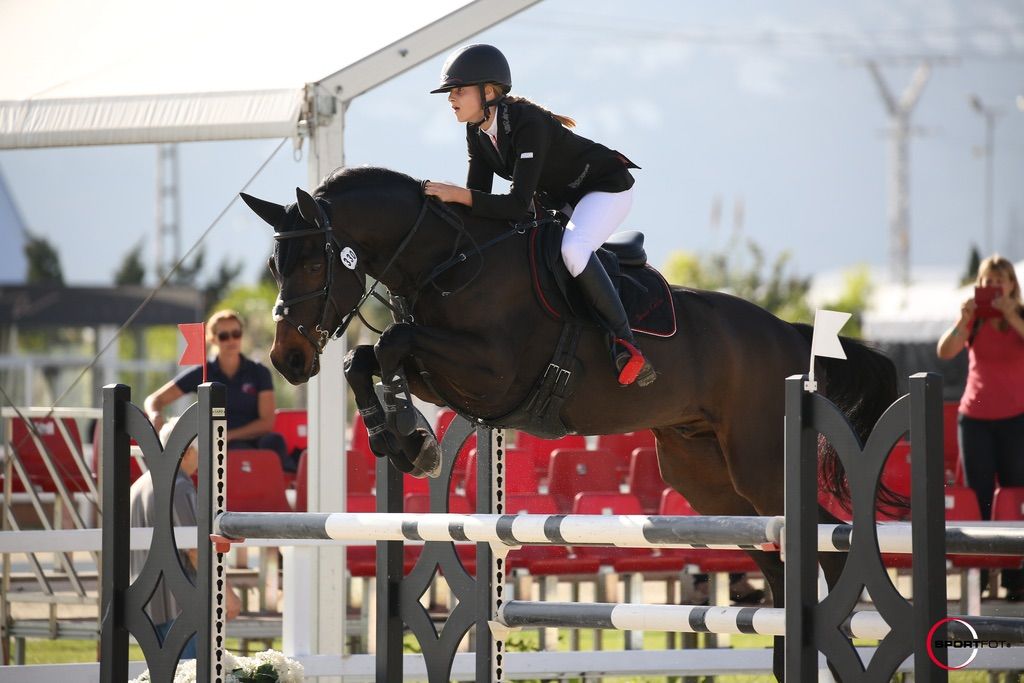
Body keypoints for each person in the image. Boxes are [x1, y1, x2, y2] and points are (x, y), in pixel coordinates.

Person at [424, 44, 656, 387]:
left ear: (488, 92)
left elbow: (514, 204)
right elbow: (482, 201)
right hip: (561, 198)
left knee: (573, 250)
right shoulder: (477, 130)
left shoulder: (528, 123)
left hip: (605, 189)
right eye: (450, 92)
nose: (451, 99)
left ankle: (627, 345)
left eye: (458, 90)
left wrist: (458, 194)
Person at [937, 254, 1024, 601]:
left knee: (1016, 495)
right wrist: (963, 319)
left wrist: (1010, 314)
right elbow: (945, 351)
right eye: (986, 282)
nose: (992, 288)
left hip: (1016, 419)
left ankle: (1015, 578)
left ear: (1011, 285)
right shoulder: (973, 322)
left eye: (998, 281)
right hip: (974, 419)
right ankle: (982, 573)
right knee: (980, 499)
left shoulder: (1018, 315)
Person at [130, 418, 242, 657]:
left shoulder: (139, 485)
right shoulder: (179, 485)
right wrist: (226, 592)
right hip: (178, 606)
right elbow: (195, 550)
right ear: (189, 451)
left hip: (148, 606)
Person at [145, 309, 295, 471]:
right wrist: (155, 416)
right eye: (224, 336)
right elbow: (155, 400)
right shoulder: (203, 372)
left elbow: (267, 423)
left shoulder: (259, 372)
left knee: (274, 441)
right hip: (218, 447)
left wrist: (229, 435)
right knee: (237, 453)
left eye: (236, 333)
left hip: (250, 440)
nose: (231, 340)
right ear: (213, 339)